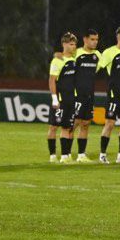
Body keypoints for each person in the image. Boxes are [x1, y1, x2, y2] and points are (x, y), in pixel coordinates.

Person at [94, 26, 120, 163]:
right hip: (114, 94)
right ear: (118, 38)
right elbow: (98, 67)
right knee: (110, 124)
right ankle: (102, 155)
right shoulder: (109, 52)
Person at [68, 29, 103, 162]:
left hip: (89, 94)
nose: (95, 42)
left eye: (96, 40)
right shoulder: (76, 53)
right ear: (85, 39)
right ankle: (67, 154)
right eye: (92, 39)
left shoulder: (97, 55)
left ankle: (81, 155)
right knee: (73, 123)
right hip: (77, 95)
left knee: (86, 123)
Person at [45, 33, 78, 162]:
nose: (74, 46)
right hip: (60, 98)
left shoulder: (75, 59)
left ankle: (64, 156)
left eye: (75, 44)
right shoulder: (57, 60)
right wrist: (54, 98)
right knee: (53, 126)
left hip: (71, 98)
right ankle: (52, 155)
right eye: (71, 44)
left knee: (67, 127)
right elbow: (52, 80)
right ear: (64, 44)